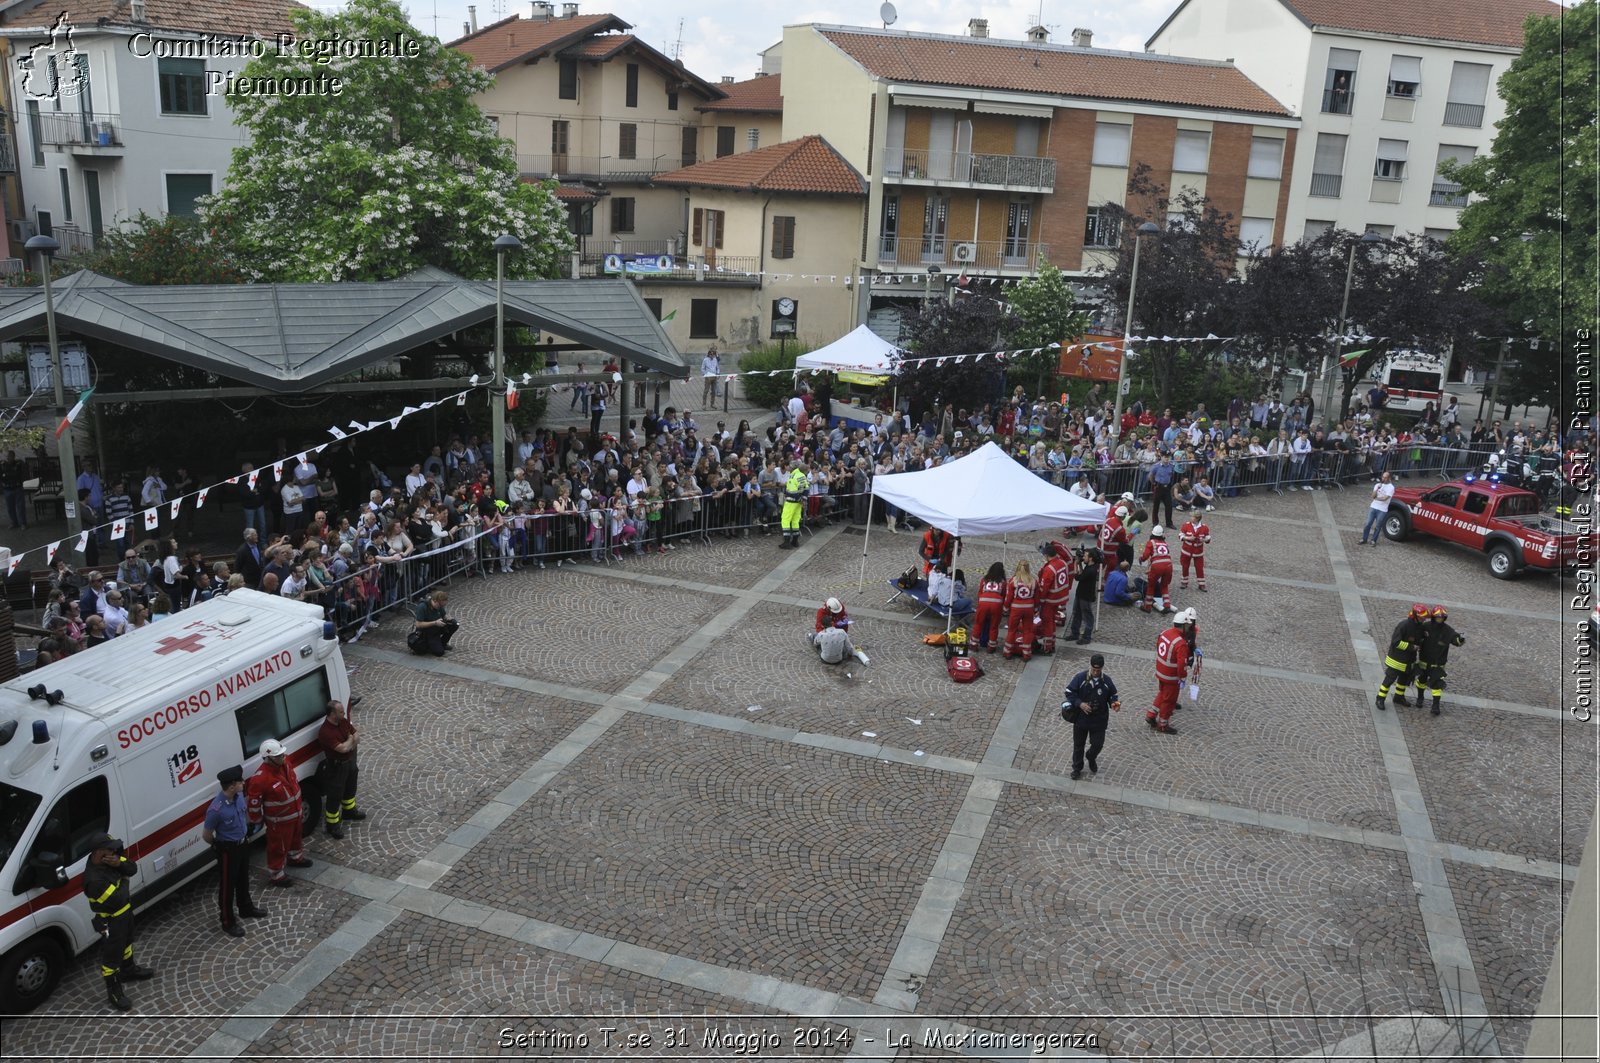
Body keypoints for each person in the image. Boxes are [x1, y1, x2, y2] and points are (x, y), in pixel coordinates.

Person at [82, 834, 155, 1011]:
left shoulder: (112, 859)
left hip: (124, 914)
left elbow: (132, 868)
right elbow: (119, 897)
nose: (114, 851)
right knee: (112, 956)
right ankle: (114, 991)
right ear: (99, 852)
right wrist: (124, 880)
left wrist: (120, 865)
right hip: (110, 921)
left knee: (127, 943)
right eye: (110, 849)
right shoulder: (94, 880)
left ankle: (128, 970)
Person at [201, 765, 263, 938]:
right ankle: (227, 921)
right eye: (240, 781)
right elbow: (206, 835)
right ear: (231, 786)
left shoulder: (239, 796)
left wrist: (248, 829)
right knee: (227, 886)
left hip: (243, 843)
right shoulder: (216, 809)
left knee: (243, 878)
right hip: (228, 850)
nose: (243, 783)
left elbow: (243, 815)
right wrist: (218, 846)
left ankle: (246, 908)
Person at [246, 739, 312, 888]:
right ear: (267, 758)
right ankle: (276, 874)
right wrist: (256, 820)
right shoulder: (260, 778)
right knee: (278, 847)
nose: (282, 757)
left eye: (282, 754)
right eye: (278, 756)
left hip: (295, 814)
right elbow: (254, 803)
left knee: (296, 838)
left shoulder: (285, 763)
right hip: (279, 822)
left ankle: (295, 858)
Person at [1063, 654, 1121, 780]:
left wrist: (1114, 704)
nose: (1095, 672)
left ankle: (1091, 756)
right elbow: (1069, 692)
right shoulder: (1081, 678)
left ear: (1101, 669)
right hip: (1081, 719)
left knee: (1098, 744)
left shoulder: (1106, 681)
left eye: (1098, 670)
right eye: (1094, 670)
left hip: (1099, 720)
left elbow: (1113, 696)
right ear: (1090, 667)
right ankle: (1077, 768)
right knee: (1078, 745)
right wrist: (1080, 704)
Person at [316, 698, 365, 840]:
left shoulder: (342, 721)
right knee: (335, 796)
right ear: (332, 714)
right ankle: (332, 825)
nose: (344, 713)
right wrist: (350, 741)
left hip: (349, 763)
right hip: (336, 767)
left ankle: (349, 811)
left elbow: (357, 737)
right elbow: (343, 749)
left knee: (350, 788)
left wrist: (350, 742)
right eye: (341, 711)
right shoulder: (325, 732)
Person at [1148, 608, 1195, 735]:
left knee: (1162, 693)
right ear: (1184, 625)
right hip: (1171, 676)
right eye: (1188, 625)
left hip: (1160, 671)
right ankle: (1163, 725)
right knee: (1169, 701)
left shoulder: (1165, 633)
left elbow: (1158, 646)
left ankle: (1151, 714)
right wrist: (1183, 677)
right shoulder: (1181, 643)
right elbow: (1181, 664)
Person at [1376, 603, 1432, 710]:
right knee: (1389, 680)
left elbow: (1419, 639)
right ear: (1415, 616)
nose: (1424, 619)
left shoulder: (1420, 627)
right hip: (1396, 660)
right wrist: (1412, 647)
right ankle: (1380, 698)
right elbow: (1395, 642)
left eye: (1424, 618)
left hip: (1408, 661)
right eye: (1422, 617)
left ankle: (1399, 697)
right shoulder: (1403, 625)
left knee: (1403, 680)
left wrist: (1424, 638)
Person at [1411, 605, 1465, 716]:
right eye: (1437, 617)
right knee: (1421, 681)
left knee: (1437, 684)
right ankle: (1420, 698)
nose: (1439, 619)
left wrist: (1460, 640)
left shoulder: (1447, 630)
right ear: (1433, 617)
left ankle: (1435, 706)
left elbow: (1455, 640)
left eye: (1442, 618)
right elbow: (1417, 636)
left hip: (1438, 663)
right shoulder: (1425, 626)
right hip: (1424, 661)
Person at [1033, 541, 1073, 655]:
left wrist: (1039, 602)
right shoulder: (1063, 563)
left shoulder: (1049, 569)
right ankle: (1052, 643)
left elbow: (1044, 588)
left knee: (1047, 623)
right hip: (1060, 598)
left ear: (1046, 555)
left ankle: (1047, 647)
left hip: (1050, 600)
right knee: (1052, 622)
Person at [1002, 559, 1037, 662]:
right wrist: (1036, 609)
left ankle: (1008, 651)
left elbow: (1009, 597)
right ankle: (1026, 654)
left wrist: (1005, 608)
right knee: (1027, 631)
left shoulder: (1014, 581)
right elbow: (1037, 597)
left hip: (1016, 608)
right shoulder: (1033, 581)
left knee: (1012, 630)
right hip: (1029, 608)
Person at [1138, 525, 1175, 614]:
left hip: (1157, 566)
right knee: (1164, 585)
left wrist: (1141, 559)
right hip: (1169, 565)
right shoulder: (1164, 543)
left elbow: (1146, 555)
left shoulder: (1151, 542)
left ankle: (1148, 606)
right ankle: (1167, 605)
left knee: (1151, 585)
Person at [1067, 547, 1100, 645]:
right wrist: (1080, 564)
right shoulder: (1089, 566)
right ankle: (1075, 633)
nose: (1083, 557)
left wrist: (1076, 564)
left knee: (1087, 616)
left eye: (1085, 556)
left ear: (1090, 558)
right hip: (1080, 593)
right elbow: (1083, 574)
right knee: (1077, 613)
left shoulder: (1091, 570)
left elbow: (1078, 577)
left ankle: (1086, 636)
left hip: (1085, 596)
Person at [972, 561, 1007, 653]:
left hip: (983, 602)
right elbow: (1004, 595)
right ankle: (991, 646)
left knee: (978, 624)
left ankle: (974, 644)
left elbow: (980, 592)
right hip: (996, 603)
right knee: (994, 626)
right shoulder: (1003, 582)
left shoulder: (984, 579)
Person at [410, 589, 458, 656]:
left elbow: (444, 615)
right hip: (426, 631)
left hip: (436, 627)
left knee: (454, 624)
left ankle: (442, 643)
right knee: (439, 652)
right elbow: (418, 624)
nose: (441, 607)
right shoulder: (422, 607)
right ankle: (429, 645)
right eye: (440, 606)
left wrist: (448, 619)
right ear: (435, 601)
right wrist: (435, 623)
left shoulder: (439, 605)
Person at [779, 458, 809, 550]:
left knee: (785, 520)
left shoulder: (793, 476)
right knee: (795, 521)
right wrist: (803, 500)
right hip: (798, 504)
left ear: (792, 467)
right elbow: (806, 488)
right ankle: (795, 541)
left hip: (791, 502)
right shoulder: (802, 475)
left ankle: (787, 542)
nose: (788, 467)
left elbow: (792, 491)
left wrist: (799, 499)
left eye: (789, 466)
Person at [1360, 471, 1395, 546]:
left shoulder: (1391, 487)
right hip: (1373, 506)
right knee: (1368, 524)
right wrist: (1377, 490)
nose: (1383, 479)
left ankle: (1373, 540)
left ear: (1389, 478)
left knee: (1378, 526)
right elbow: (1373, 496)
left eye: (1385, 477)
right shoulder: (1378, 485)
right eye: (1383, 477)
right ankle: (1364, 538)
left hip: (1382, 509)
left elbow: (1385, 498)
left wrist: (1376, 498)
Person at [1179, 513, 1212, 591]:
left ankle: (1201, 584)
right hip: (1186, 551)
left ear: (1197, 518)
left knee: (1199, 568)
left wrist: (1205, 540)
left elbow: (1208, 537)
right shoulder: (1186, 525)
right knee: (1185, 567)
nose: (1190, 518)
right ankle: (1184, 582)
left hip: (1198, 552)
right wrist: (1188, 538)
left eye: (1192, 517)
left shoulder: (1204, 528)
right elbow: (1180, 535)